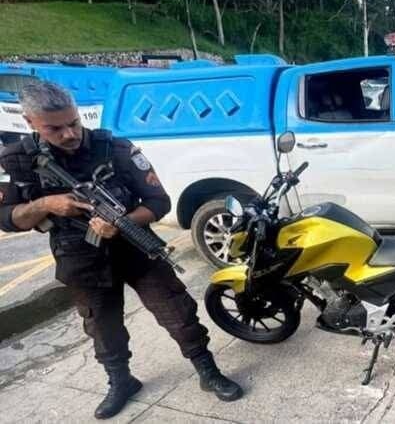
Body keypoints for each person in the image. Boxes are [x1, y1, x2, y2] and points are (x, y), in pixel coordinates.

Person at [0, 82, 243, 419]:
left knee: (178, 312)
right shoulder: (16, 160)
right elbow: (8, 219)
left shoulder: (115, 148)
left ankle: (207, 371)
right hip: (79, 257)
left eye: (73, 123)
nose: (69, 134)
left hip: (136, 249)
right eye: (54, 128)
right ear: (29, 122)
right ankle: (121, 381)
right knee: (102, 326)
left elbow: (159, 201)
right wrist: (46, 204)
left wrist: (124, 221)